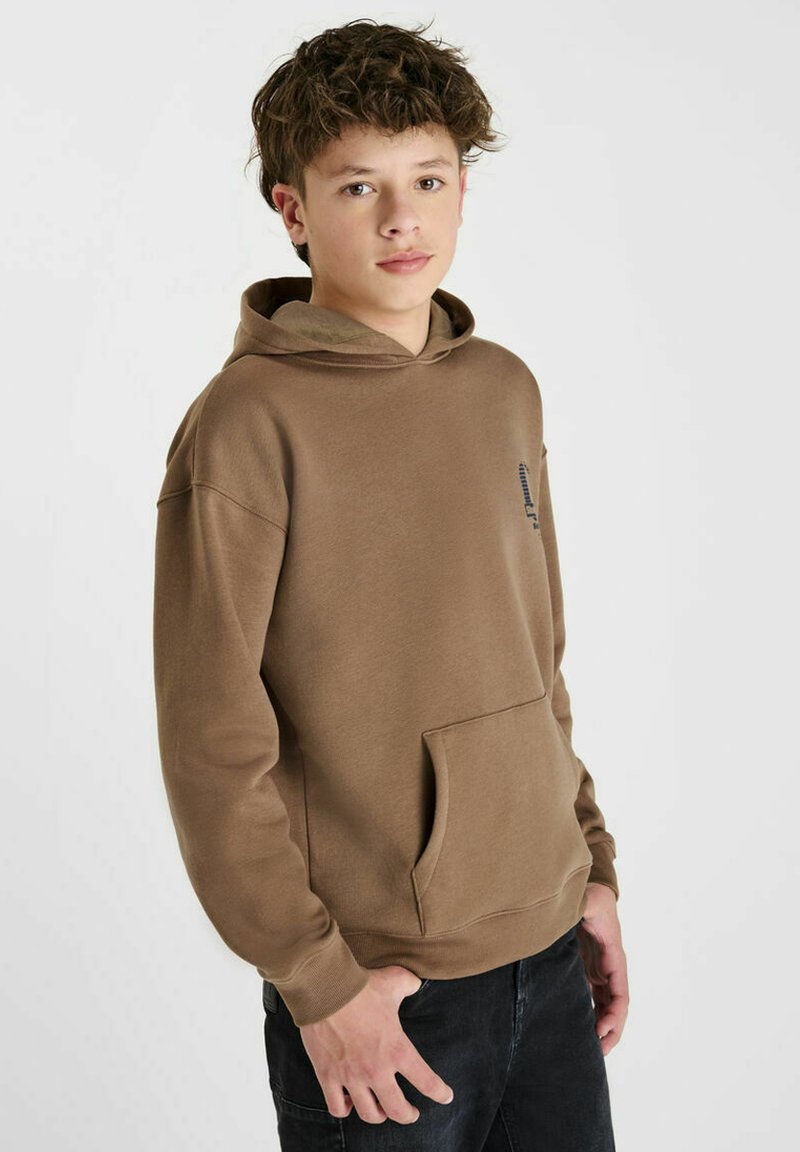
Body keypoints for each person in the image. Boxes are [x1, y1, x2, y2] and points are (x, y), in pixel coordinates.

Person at [152, 16, 629, 1151]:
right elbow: (211, 741)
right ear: (292, 209)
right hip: (384, 994)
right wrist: (316, 984)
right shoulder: (247, 425)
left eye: (429, 178)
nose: (402, 218)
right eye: (358, 187)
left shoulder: (501, 390)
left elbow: (536, 658)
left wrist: (589, 867)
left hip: (549, 947)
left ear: (463, 187)